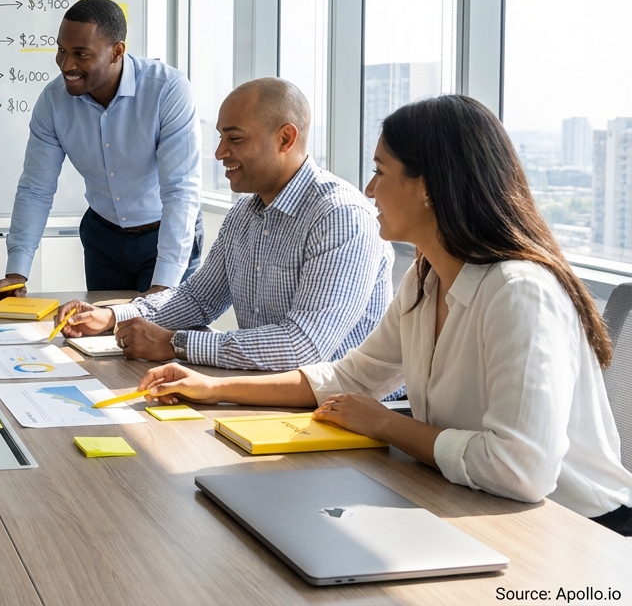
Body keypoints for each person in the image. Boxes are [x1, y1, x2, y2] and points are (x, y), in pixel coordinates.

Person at [133, 95, 632, 535]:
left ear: (430, 186)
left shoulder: (519, 293)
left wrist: (384, 425)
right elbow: (348, 377)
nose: (369, 189)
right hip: (471, 499)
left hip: (573, 528)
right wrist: (210, 387)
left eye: (380, 171)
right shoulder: (424, 277)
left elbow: (519, 471)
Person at [57, 78, 393, 371]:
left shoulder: (340, 216)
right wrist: (114, 316)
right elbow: (197, 299)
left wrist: (175, 344)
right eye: (220, 138)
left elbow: (301, 347)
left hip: (342, 411)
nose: (219, 153)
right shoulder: (244, 213)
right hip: (272, 395)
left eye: (235, 139)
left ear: (285, 139)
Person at [0, 0, 202, 303]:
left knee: (157, 336)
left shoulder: (167, 90)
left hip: (165, 234)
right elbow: (35, 189)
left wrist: (163, 287)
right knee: (101, 337)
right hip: (103, 238)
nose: (67, 65)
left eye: (81, 54)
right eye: (62, 51)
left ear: (116, 52)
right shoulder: (53, 101)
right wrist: (17, 273)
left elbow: (180, 191)